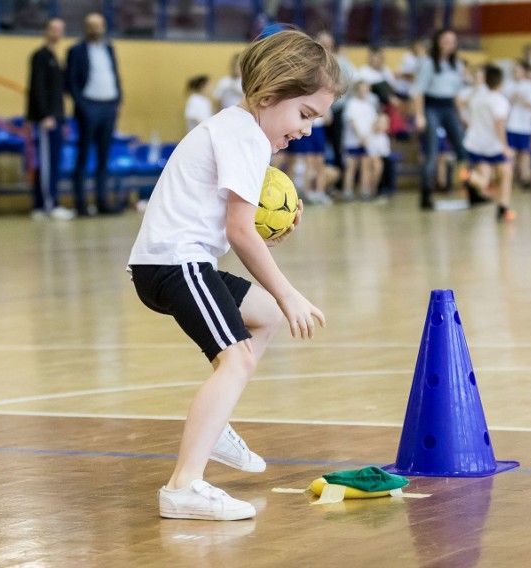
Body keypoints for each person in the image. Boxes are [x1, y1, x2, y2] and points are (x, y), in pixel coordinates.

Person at [127, 30, 343, 521]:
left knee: (261, 317)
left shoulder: (235, 127)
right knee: (239, 358)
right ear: (269, 96)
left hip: (175, 261)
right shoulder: (245, 136)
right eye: (305, 115)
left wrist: (267, 244)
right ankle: (183, 487)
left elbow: (238, 227)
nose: (308, 129)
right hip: (173, 262)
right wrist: (289, 292)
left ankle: (214, 422)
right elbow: (239, 231)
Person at [412, 29, 483, 209]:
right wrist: (420, 116)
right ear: (438, 42)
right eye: (446, 40)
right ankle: (426, 195)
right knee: (432, 152)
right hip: (431, 106)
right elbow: (418, 92)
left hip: (449, 107)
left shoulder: (456, 65)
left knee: (462, 150)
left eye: (453, 40)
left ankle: (472, 191)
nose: (450, 43)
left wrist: (461, 116)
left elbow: (456, 94)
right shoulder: (428, 64)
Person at [65, 12, 123, 215]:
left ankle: (102, 201)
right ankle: (81, 203)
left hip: (108, 106)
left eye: (99, 25)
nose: (96, 29)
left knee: (103, 157)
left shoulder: (109, 48)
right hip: (89, 107)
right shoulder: (76, 50)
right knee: (83, 157)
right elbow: (70, 81)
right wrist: (82, 105)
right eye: (92, 25)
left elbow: (115, 75)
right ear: (86, 28)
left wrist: (117, 100)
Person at [27, 18, 75, 221]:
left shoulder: (55, 58)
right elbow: (37, 88)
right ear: (46, 31)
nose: (57, 33)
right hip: (46, 120)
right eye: (54, 29)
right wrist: (45, 115)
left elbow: (58, 93)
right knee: (46, 163)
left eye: (61, 30)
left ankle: (45, 203)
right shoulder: (40, 56)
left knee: (53, 162)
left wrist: (62, 120)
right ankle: (47, 204)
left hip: (57, 119)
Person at [462, 65, 515, 221]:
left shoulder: (478, 98)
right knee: (506, 173)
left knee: (485, 181)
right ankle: (503, 207)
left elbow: (464, 105)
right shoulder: (500, 101)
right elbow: (499, 124)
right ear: (501, 83)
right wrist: (505, 146)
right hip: (492, 145)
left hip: (476, 143)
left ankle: (469, 176)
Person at [316, 31, 356, 193]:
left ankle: (338, 184)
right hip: (315, 113)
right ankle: (318, 185)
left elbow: (351, 83)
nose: (326, 46)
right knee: (316, 150)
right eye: (322, 42)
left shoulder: (342, 63)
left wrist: (335, 98)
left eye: (328, 43)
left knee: (338, 147)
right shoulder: (312, 62)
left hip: (336, 110)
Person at [505, 60, 531, 189]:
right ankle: (509, 177)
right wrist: (511, 99)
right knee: (511, 152)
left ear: (523, 72)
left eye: (518, 70)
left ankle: (525, 178)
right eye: (513, 70)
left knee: (525, 153)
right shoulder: (507, 85)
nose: (515, 73)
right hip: (511, 125)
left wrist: (523, 100)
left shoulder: (530, 86)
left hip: (525, 125)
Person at [342, 80, 378, 201]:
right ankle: (348, 191)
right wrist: (360, 136)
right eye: (362, 90)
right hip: (352, 141)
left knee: (365, 166)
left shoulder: (370, 106)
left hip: (366, 141)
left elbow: (373, 123)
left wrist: (367, 137)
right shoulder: (352, 104)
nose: (364, 92)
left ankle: (364, 191)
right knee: (351, 167)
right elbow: (352, 121)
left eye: (366, 90)